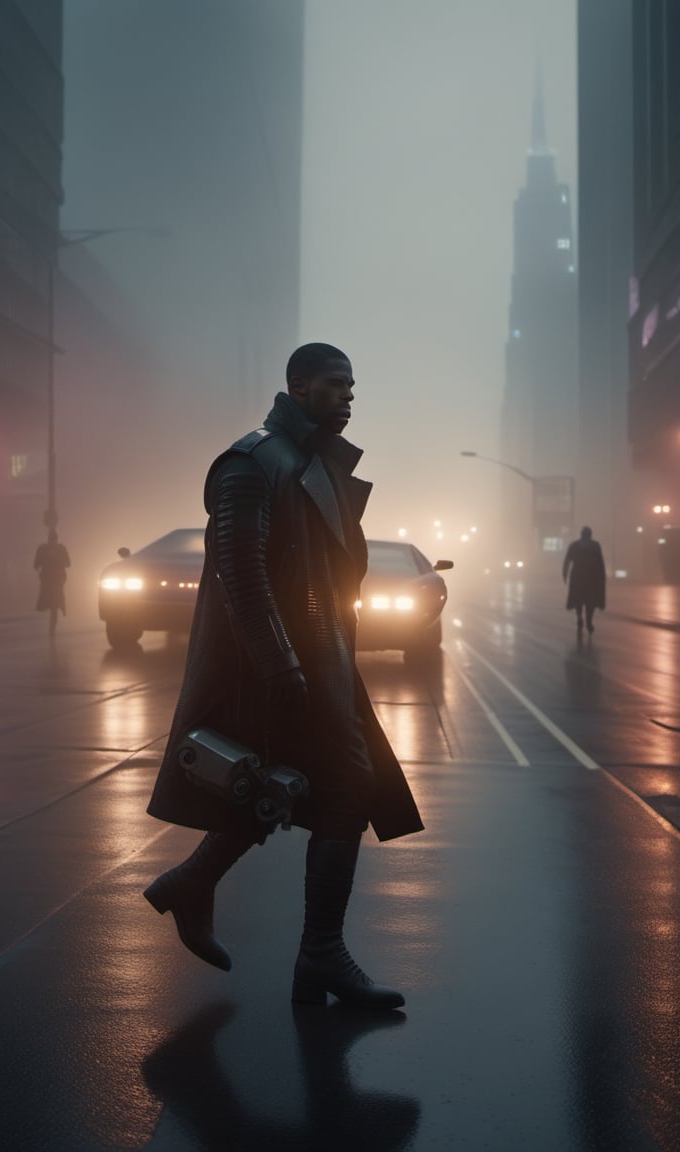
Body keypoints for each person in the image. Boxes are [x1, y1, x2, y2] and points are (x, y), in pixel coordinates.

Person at [144, 342, 423, 1009]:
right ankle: (317, 953)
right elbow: (240, 573)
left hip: (315, 664)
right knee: (343, 787)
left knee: (292, 792)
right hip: (276, 670)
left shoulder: (306, 462)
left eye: (353, 386)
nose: (348, 397)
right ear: (298, 388)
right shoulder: (253, 461)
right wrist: (280, 662)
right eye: (335, 385)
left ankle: (196, 887)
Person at [563, 525, 606, 633]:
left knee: (579, 599)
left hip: (578, 576)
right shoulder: (595, 546)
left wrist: (565, 574)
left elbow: (567, 561)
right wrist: (601, 576)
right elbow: (600, 563)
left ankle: (579, 617)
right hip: (591, 577)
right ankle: (588, 621)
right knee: (590, 601)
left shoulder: (574, 545)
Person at [33, 530, 71, 635]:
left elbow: (68, 563)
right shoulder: (44, 549)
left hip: (56, 580)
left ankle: (52, 627)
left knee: (55, 604)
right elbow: (36, 564)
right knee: (53, 602)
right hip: (49, 580)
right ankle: (58, 611)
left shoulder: (57, 549)